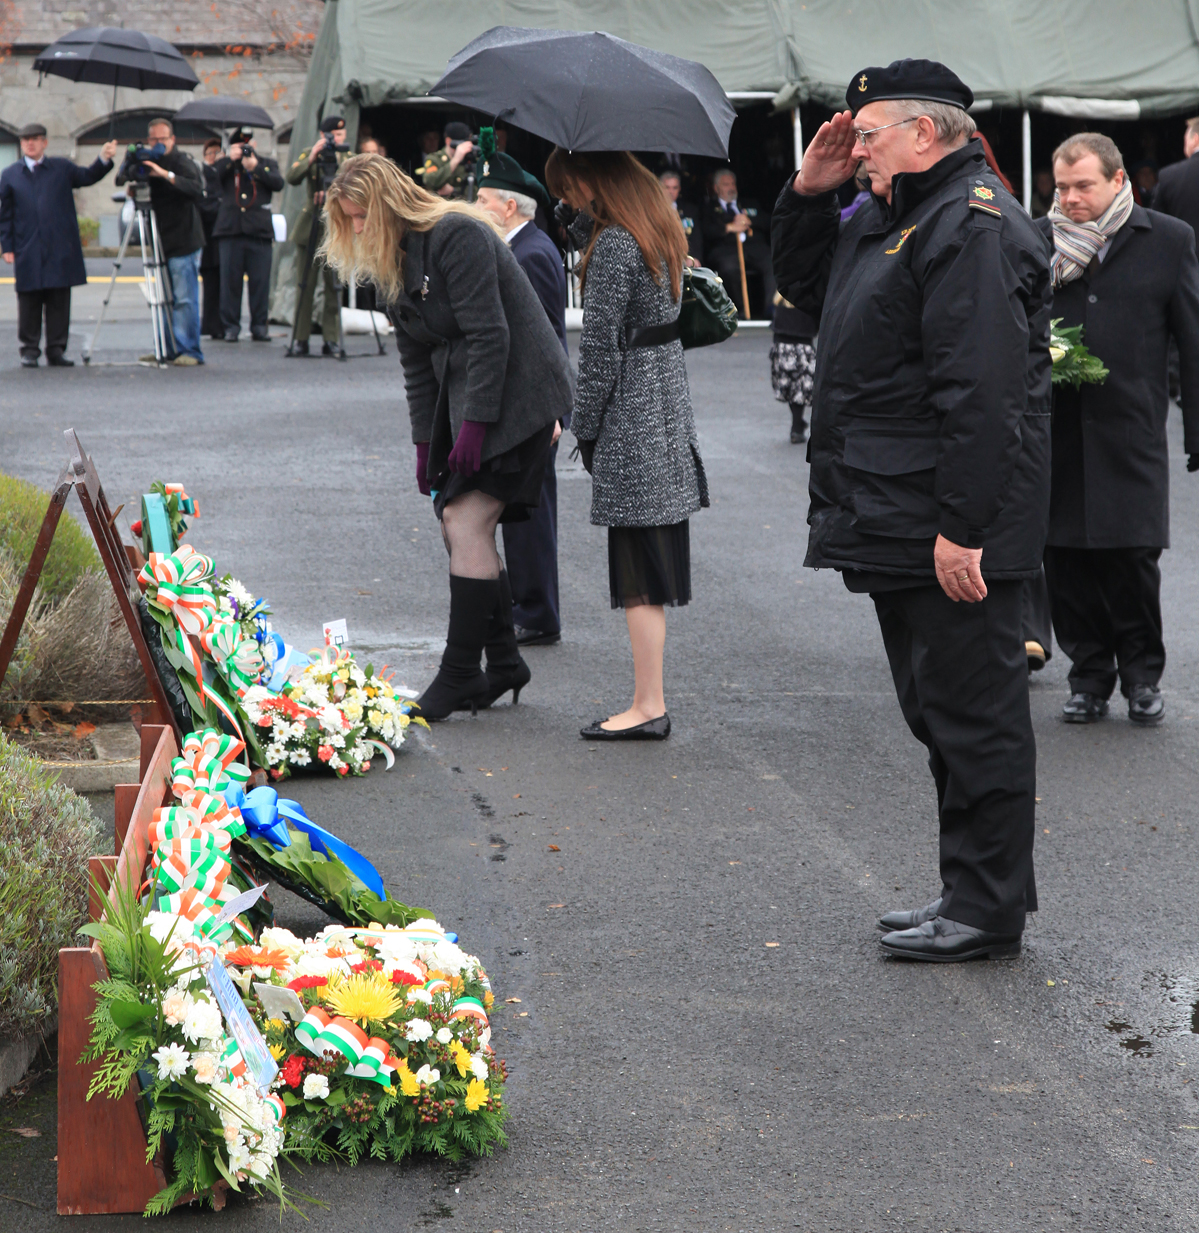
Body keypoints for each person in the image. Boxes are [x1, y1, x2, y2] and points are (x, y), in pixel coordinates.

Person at [772, 58, 1053, 962]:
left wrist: (964, 528)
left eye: (868, 132)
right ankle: (969, 888)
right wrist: (808, 195)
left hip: (947, 519)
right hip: (896, 507)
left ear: (925, 133)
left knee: (974, 714)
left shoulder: (968, 225)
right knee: (938, 710)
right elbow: (805, 295)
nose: (853, 148)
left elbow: (983, 394)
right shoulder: (896, 216)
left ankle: (987, 907)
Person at [320, 155, 572, 720]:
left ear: (387, 205)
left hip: (524, 393)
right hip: (474, 399)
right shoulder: (396, 259)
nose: (356, 230)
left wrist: (477, 427)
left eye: (361, 217)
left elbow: (491, 335)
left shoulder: (458, 234)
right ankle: (504, 661)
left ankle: (460, 674)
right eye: (348, 221)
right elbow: (415, 361)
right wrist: (422, 445)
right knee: (455, 522)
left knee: (466, 521)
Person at [546, 148, 709, 742]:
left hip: (633, 411)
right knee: (650, 564)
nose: (563, 200)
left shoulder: (614, 246)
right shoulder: (657, 228)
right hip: (664, 403)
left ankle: (648, 704)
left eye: (567, 188)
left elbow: (599, 353)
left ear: (594, 182)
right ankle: (649, 700)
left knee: (638, 569)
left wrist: (583, 428)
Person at [1037, 132, 1199, 727]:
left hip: (1131, 429)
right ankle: (1088, 678)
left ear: (1117, 181)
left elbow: (1193, 338)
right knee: (1066, 558)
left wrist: (1196, 432)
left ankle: (1141, 677)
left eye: (1084, 186)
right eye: (1062, 188)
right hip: (1055, 429)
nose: (1072, 198)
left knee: (1132, 559)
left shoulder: (1169, 240)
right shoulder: (1035, 241)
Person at [476, 152, 569, 656]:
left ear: (509, 206)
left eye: (484, 199)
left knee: (532, 513)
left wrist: (553, 412)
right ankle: (530, 608)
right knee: (522, 509)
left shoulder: (530, 252)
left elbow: (545, 339)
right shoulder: (522, 246)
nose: (477, 205)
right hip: (531, 404)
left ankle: (537, 613)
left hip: (536, 406)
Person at [0, 123, 117, 367]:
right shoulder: (11, 174)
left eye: (34, 139)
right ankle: (29, 350)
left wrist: (103, 159)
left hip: (59, 246)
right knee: (29, 299)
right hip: (27, 246)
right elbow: (6, 215)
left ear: (45, 142)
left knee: (58, 300)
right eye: (25, 140)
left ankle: (56, 349)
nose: (29, 144)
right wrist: (6, 246)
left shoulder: (61, 168)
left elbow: (87, 176)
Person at [116, 117, 206, 366]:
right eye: (153, 139)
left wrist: (165, 174)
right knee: (162, 299)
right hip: (158, 240)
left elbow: (195, 188)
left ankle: (190, 351)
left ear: (172, 139)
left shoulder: (182, 161)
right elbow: (120, 178)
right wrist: (133, 167)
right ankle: (165, 349)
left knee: (184, 299)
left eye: (162, 139)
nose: (157, 144)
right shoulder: (145, 159)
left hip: (184, 239)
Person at [285, 115, 351, 357]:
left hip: (335, 229)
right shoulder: (310, 154)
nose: (339, 139)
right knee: (305, 285)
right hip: (310, 226)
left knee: (334, 289)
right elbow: (292, 178)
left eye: (342, 135)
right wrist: (313, 155)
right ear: (323, 136)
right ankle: (300, 338)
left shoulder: (348, 157)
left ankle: (331, 338)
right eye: (334, 135)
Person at [213, 127, 284, 341]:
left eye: (247, 144)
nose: (244, 149)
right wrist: (228, 159)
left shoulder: (266, 164)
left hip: (259, 233)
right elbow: (211, 177)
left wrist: (255, 167)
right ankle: (230, 326)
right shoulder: (226, 165)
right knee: (230, 282)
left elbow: (278, 183)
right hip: (231, 231)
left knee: (260, 283)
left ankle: (259, 325)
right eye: (239, 146)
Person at [700, 168, 775, 318]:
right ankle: (740, 310)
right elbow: (706, 230)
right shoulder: (708, 208)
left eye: (733, 184)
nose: (731, 188)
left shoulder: (750, 203)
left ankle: (772, 308)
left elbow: (769, 221)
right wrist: (728, 227)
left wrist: (750, 221)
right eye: (726, 184)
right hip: (726, 251)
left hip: (755, 248)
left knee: (772, 261)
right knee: (729, 268)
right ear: (716, 188)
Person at [769, 292, 817, 444]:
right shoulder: (810, 302)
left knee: (790, 389)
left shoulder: (780, 303)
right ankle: (797, 426)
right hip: (803, 349)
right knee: (800, 390)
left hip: (782, 348)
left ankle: (797, 424)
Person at [1151, 118, 1199, 238]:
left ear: (1195, 139)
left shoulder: (1169, 176)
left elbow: (1155, 223)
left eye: (1186, 140)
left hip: (1188, 253)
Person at [199, 139, 223, 339]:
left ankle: (223, 323)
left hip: (224, 236)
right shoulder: (203, 174)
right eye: (210, 153)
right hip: (208, 237)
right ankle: (209, 323)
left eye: (217, 152)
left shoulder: (224, 172)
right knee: (211, 284)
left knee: (227, 283)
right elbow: (203, 203)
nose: (214, 157)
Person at [417, 122, 475, 199]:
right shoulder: (435, 159)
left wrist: (454, 191)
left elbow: (478, 191)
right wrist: (455, 161)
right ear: (448, 141)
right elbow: (430, 181)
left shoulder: (470, 160)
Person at [659, 171, 704, 262]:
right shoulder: (652, 210)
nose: (671, 191)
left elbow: (696, 238)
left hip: (686, 259)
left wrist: (694, 257)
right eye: (667, 187)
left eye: (674, 188)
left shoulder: (689, 210)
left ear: (679, 189)